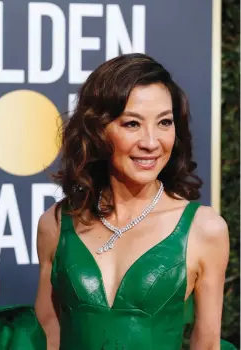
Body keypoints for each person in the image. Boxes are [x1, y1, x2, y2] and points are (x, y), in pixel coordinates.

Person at [32, 53, 232, 349]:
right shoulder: (56, 223)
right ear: (98, 129)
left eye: (165, 122)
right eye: (132, 124)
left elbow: (207, 343)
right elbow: (47, 333)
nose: (151, 142)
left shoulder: (205, 230)